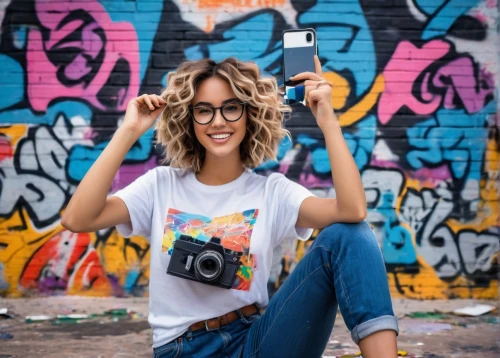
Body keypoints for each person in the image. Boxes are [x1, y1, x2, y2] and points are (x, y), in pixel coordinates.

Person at [62, 56, 398, 358]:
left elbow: (353, 212)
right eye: (204, 110)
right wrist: (129, 130)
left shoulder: (272, 192)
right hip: (181, 348)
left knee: (348, 235)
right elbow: (78, 218)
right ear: (190, 120)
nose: (218, 121)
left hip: (256, 340)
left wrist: (326, 118)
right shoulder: (160, 185)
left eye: (231, 107)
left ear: (249, 114)